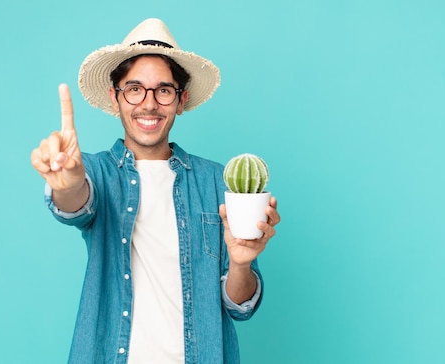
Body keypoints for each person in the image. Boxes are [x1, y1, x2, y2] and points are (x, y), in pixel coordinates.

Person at [31, 18, 281, 364]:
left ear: (181, 100)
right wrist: (70, 181)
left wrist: (241, 264)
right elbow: (76, 202)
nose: (149, 104)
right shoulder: (98, 173)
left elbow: (240, 306)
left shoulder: (216, 182)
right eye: (134, 89)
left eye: (163, 90)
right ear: (115, 98)